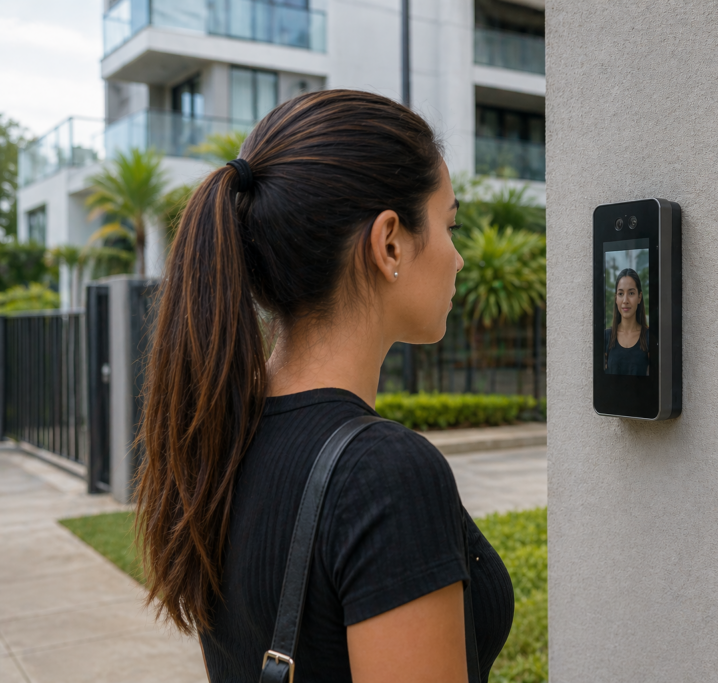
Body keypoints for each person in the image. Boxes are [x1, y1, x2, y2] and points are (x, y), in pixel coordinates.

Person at [135, 90, 513, 682]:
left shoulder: (225, 429)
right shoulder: (386, 475)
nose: (458, 258)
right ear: (389, 243)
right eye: (450, 225)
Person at [604, 268, 650, 376]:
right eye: (620, 294)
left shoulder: (649, 338)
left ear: (639, 297)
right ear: (616, 298)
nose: (625, 300)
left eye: (631, 293)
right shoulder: (606, 337)